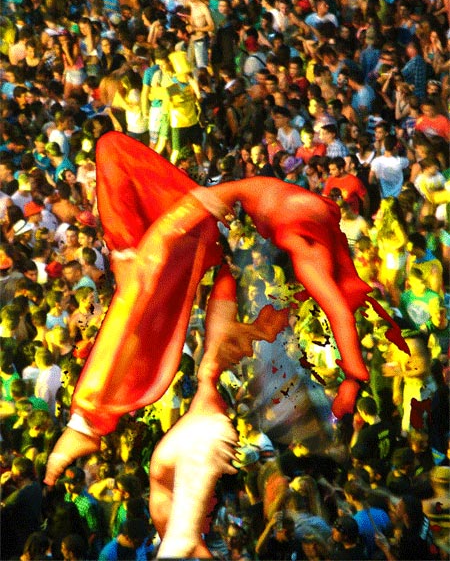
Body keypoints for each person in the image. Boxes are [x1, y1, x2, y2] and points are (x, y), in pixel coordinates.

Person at [44, 133, 406, 553]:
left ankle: (90, 420)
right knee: (142, 263)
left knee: (145, 272)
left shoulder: (279, 256)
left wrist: (350, 380)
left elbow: (333, 308)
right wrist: (351, 381)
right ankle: (89, 420)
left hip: (209, 223)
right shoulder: (295, 238)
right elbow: (336, 309)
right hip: (206, 213)